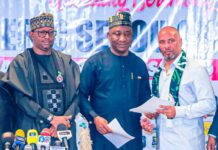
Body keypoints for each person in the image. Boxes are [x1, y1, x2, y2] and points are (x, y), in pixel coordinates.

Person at [1, 12, 80, 149]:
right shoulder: (21, 63)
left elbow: (78, 95)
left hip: (61, 132)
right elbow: (21, 99)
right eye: (42, 33)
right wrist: (51, 118)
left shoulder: (66, 62)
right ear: (31, 34)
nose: (47, 37)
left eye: (50, 32)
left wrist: (63, 121)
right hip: (32, 132)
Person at [80, 11, 151, 150]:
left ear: (132, 36)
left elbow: (145, 100)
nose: (123, 38)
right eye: (117, 33)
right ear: (108, 35)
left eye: (127, 33)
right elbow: (80, 96)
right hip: (103, 136)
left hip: (132, 138)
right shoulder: (95, 63)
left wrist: (147, 116)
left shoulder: (139, 64)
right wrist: (94, 117)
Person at [141, 26, 216, 150]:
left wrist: (178, 111)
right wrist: (148, 118)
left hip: (187, 144)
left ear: (180, 42)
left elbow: (210, 104)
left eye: (171, 40)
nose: (167, 46)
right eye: (162, 42)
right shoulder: (158, 73)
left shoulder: (195, 69)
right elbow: (160, 106)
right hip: (162, 144)